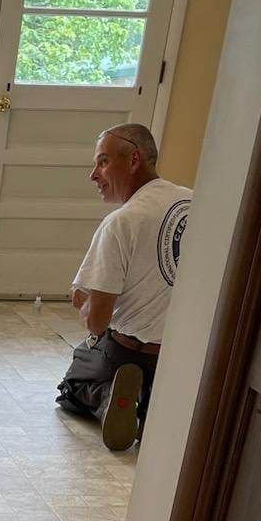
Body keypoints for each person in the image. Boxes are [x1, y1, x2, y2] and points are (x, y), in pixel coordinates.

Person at [56, 124, 192, 452]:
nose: (93, 175)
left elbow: (97, 322)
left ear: (133, 160)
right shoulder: (195, 202)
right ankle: (153, 406)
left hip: (130, 352)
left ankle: (109, 400)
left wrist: (83, 301)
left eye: (103, 162)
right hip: (181, 351)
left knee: (74, 381)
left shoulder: (122, 222)